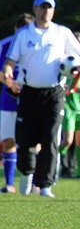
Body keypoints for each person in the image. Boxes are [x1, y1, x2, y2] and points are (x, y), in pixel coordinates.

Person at [2, 0, 80, 198]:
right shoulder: (24, 34)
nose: (45, 11)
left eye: (49, 8)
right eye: (42, 7)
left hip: (55, 93)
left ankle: (46, 185)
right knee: (26, 141)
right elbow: (10, 63)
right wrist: (8, 76)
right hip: (29, 92)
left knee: (50, 137)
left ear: (53, 10)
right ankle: (27, 174)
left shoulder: (62, 33)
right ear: (34, 10)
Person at [0, 13, 34, 193]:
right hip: (9, 99)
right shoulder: (5, 44)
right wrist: (10, 84)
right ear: (16, 29)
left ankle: (35, 182)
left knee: (34, 141)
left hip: (33, 98)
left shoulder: (36, 44)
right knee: (8, 141)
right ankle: (10, 183)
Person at [59, 31, 80, 179]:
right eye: (78, 43)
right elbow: (63, 88)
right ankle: (54, 161)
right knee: (68, 140)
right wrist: (75, 88)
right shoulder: (65, 64)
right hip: (69, 106)